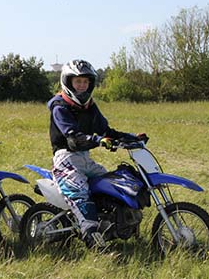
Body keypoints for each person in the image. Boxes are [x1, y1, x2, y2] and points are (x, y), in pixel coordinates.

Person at [48, 59, 145, 249]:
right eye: (78, 82)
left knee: (115, 187)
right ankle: (94, 242)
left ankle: (117, 227)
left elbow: (106, 131)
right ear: (68, 83)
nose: (82, 86)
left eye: (85, 82)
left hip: (84, 159)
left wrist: (132, 138)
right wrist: (96, 140)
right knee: (81, 197)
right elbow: (73, 139)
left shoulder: (90, 106)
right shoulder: (60, 107)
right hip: (65, 160)